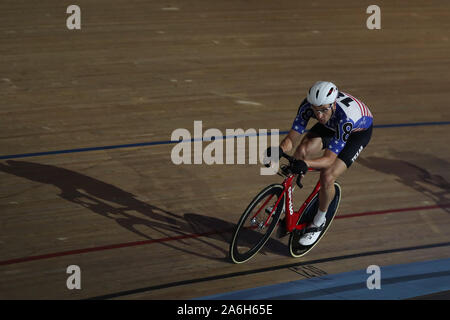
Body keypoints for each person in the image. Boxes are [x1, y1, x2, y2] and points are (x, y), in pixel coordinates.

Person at [267, 81, 373, 245]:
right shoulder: (309, 107)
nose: (319, 115)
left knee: (327, 175)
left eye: (323, 109)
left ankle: (318, 221)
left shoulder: (346, 119)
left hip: (355, 134)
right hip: (331, 126)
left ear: (333, 104)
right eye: (316, 111)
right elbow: (291, 139)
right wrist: (279, 150)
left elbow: (329, 160)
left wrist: (306, 164)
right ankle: (283, 201)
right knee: (302, 150)